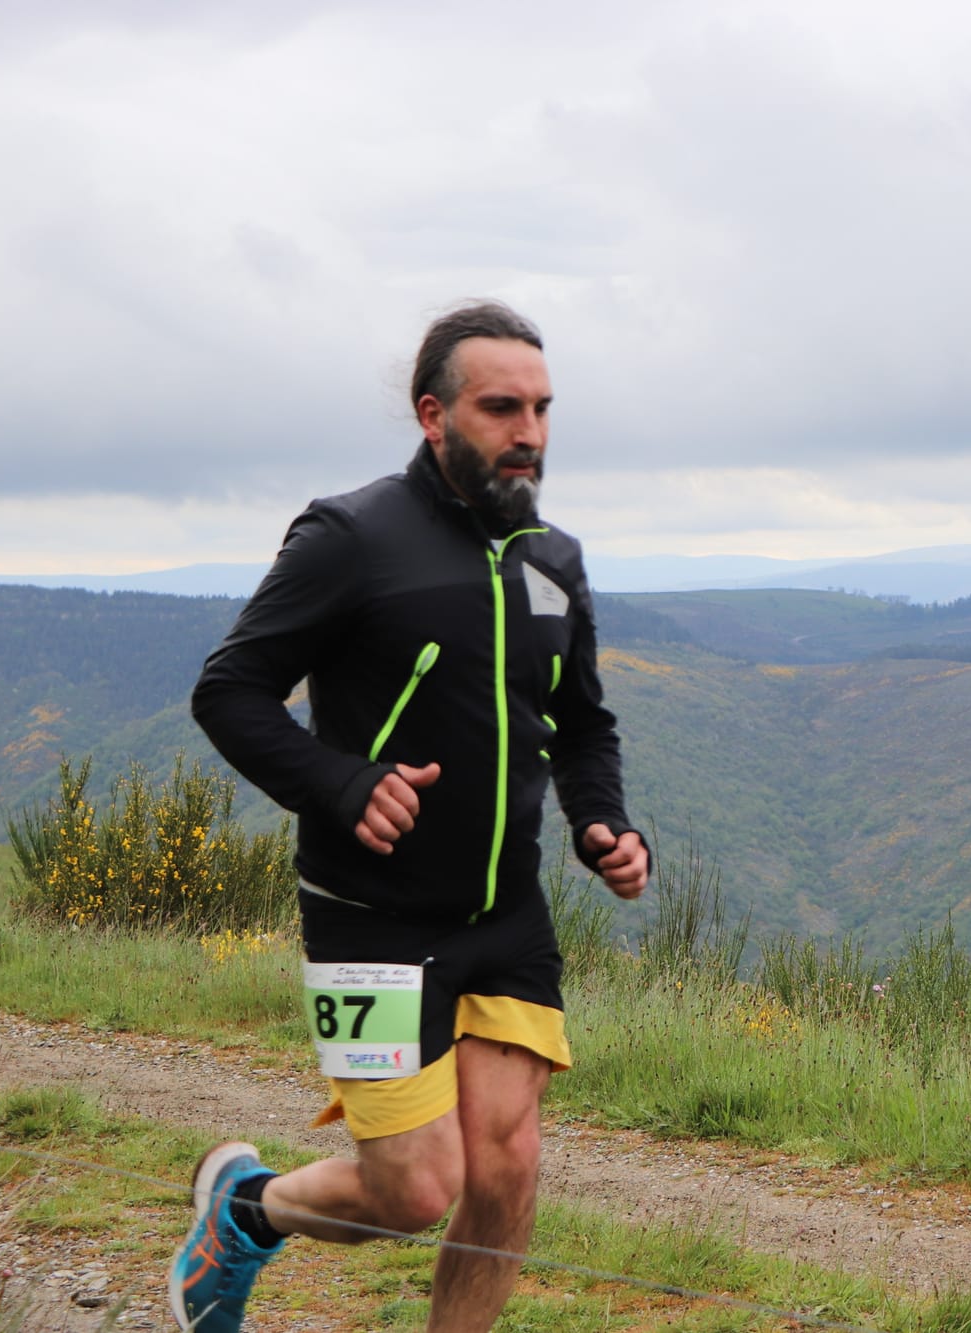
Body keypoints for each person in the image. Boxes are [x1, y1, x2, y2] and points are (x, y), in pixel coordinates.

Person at [176, 300, 649, 1332]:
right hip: (371, 922)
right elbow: (231, 689)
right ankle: (248, 1205)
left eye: (540, 408)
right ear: (432, 415)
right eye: (499, 407)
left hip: (503, 918)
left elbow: (579, 725)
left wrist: (601, 823)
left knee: (508, 1162)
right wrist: (340, 783)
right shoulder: (350, 537)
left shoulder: (550, 557)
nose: (527, 431)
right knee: (411, 1190)